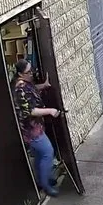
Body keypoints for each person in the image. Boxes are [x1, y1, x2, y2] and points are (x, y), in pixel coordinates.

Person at [11, 59, 61, 197]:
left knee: (40, 155)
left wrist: (43, 85)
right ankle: (45, 185)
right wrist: (50, 111)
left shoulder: (25, 83)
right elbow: (31, 111)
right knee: (47, 152)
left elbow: (31, 89)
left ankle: (42, 180)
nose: (31, 74)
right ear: (21, 74)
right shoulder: (19, 88)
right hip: (31, 130)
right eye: (28, 72)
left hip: (35, 127)